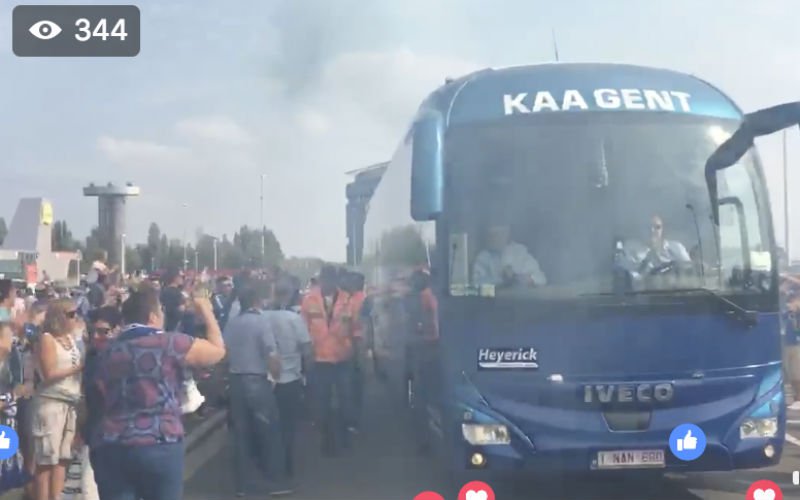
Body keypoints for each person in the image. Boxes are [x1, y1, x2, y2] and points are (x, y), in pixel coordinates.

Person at [88, 285, 225, 500]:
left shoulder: (107, 352)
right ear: (153, 317)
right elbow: (217, 351)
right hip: (159, 439)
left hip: (112, 443)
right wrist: (206, 310)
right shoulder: (171, 343)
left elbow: (98, 394)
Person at [224, 285, 292, 497]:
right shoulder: (261, 321)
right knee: (268, 431)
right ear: (256, 301)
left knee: (242, 434)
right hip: (256, 381)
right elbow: (271, 353)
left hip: (236, 381)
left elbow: (224, 353)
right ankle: (275, 482)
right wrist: (276, 377)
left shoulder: (233, 323)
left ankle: (243, 486)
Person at [301, 265, 363, 456]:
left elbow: (356, 329)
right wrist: (306, 356)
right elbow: (303, 329)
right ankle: (328, 441)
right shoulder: (309, 300)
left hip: (342, 358)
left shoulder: (347, 300)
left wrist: (359, 354)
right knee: (323, 402)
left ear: (336, 280)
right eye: (324, 278)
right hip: (319, 359)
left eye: (330, 279)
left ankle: (344, 438)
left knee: (345, 401)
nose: (327, 282)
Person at [32, 299, 84, 500]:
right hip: (50, 402)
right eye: (70, 314)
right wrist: (78, 368)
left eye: (76, 314)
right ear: (59, 317)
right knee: (46, 461)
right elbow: (49, 372)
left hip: (70, 402)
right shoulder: (47, 338)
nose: (75, 318)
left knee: (63, 458)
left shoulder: (71, 339)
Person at [266, 280, 313, 479]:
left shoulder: (261, 318)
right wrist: (307, 375)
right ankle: (287, 464)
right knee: (287, 424)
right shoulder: (294, 319)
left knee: (268, 425)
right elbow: (307, 349)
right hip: (290, 377)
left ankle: (268, 463)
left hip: (265, 380)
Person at [472, 222, 547, 287]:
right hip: (493, 301)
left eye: (500, 233)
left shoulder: (520, 252)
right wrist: (502, 279)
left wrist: (530, 279)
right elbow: (476, 283)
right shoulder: (483, 257)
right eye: (493, 235)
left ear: (507, 233)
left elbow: (541, 278)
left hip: (520, 300)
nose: (496, 237)